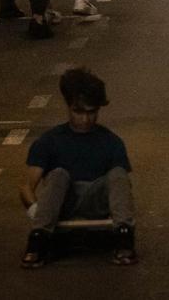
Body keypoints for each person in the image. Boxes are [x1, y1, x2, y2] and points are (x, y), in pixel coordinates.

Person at [20, 67, 137, 268]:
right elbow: (27, 187)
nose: (85, 119)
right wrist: (37, 211)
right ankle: (38, 238)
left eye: (91, 112)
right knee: (58, 174)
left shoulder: (111, 141)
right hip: (63, 201)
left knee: (118, 173)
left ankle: (124, 236)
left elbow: (121, 186)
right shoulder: (50, 141)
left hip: (96, 202)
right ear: (68, 107)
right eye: (78, 111)